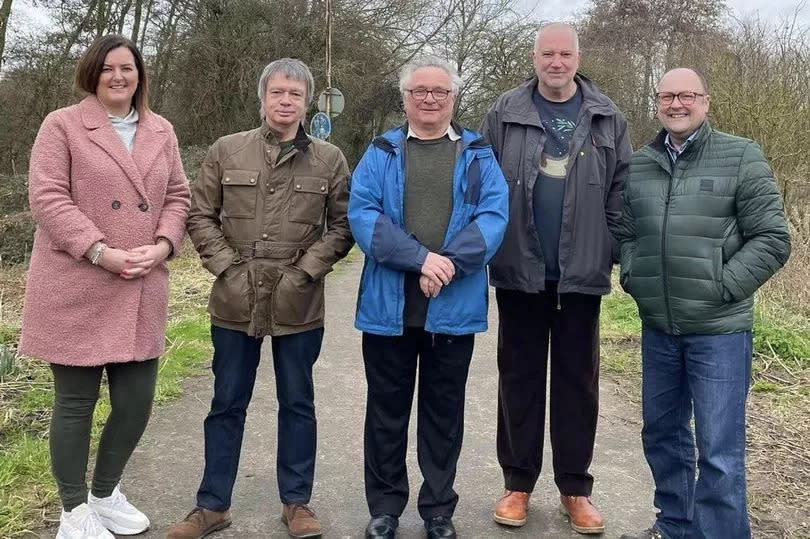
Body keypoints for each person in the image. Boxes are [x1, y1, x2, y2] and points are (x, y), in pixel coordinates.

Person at [167, 58, 353, 539]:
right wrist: (227, 268)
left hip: (299, 301)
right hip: (234, 298)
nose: (285, 101)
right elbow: (200, 215)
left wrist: (306, 272)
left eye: (294, 94)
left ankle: (297, 503)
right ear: (262, 98)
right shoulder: (227, 150)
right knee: (226, 402)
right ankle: (211, 505)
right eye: (277, 93)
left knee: (298, 403)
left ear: (307, 101)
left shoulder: (329, 159)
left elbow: (343, 225)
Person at [20, 34, 190, 539]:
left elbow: (178, 195)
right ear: (92, 74)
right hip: (78, 281)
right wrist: (100, 250)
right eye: (108, 69)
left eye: (128, 68)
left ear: (140, 75)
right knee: (75, 403)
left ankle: (105, 493)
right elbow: (46, 197)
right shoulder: (63, 125)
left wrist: (163, 245)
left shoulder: (161, 130)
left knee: (136, 402)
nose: (119, 77)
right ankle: (72, 511)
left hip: (141, 282)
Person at [617, 68, 791, 539]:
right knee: (663, 436)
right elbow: (626, 233)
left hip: (719, 332)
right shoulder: (639, 164)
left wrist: (721, 286)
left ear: (705, 101)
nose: (677, 104)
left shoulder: (740, 155)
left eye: (686, 95)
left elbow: (773, 239)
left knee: (718, 450)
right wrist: (634, 275)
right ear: (657, 102)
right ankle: (674, 525)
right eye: (667, 95)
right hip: (659, 327)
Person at [481, 22, 632, 534]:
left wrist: (607, 247)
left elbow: (621, 191)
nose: (556, 62)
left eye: (565, 53)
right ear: (534, 57)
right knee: (518, 380)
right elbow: (482, 181)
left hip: (580, 277)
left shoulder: (607, 115)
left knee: (577, 384)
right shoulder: (505, 112)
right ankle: (517, 484)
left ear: (577, 57)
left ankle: (575, 489)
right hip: (520, 271)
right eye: (548, 53)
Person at [349, 56, 508, 539]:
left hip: (452, 313)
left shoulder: (479, 154)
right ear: (405, 98)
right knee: (386, 414)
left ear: (453, 97)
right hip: (388, 311)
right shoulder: (381, 151)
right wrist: (421, 260)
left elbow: (494, 217)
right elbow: (363, 213)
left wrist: (447, 265)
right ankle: (385, 508)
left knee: (443, 417)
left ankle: (438, 509)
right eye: (420, 91)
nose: (430, 99)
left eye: (439, 91)